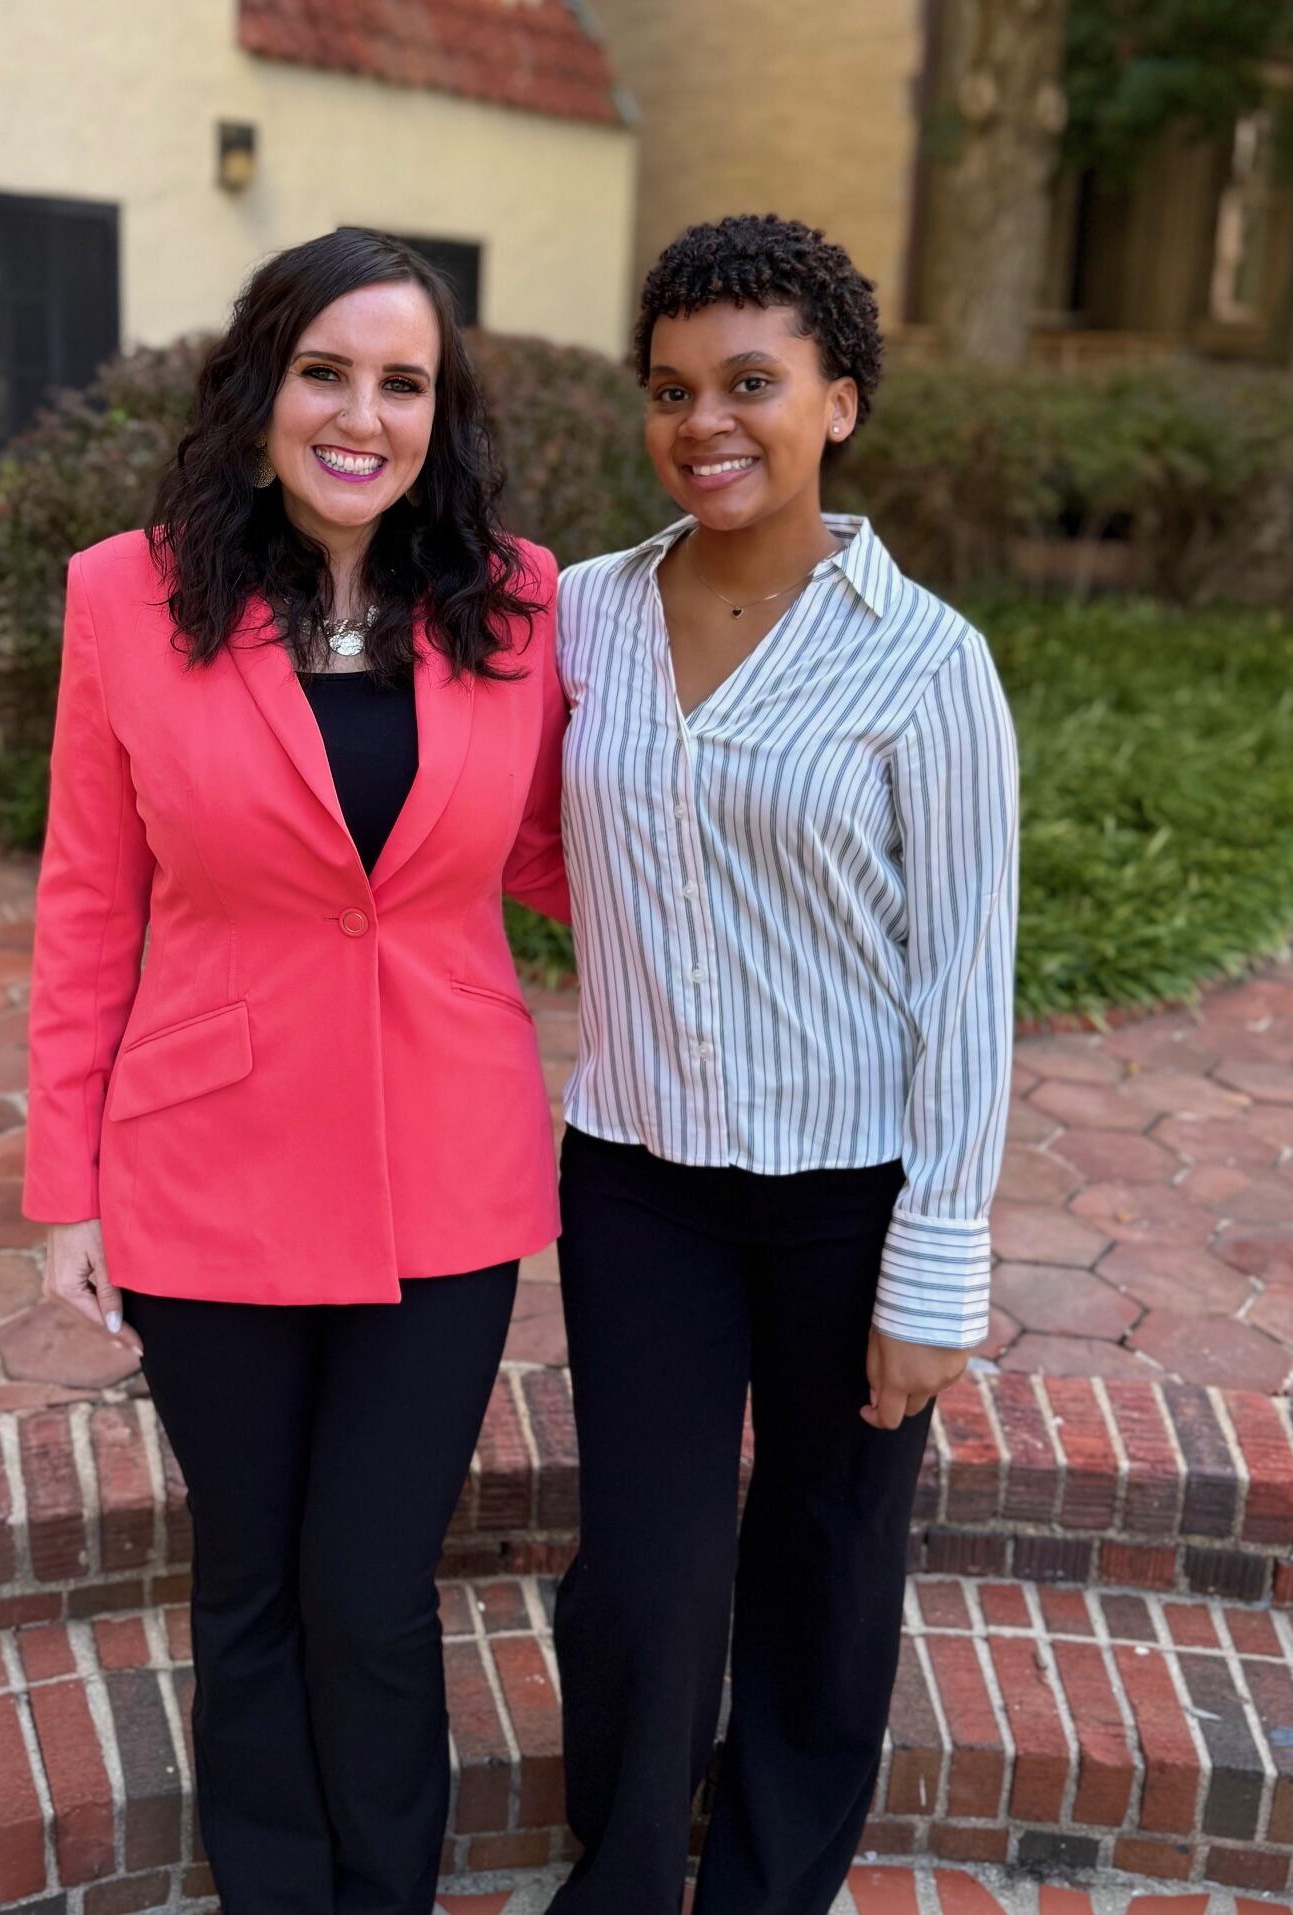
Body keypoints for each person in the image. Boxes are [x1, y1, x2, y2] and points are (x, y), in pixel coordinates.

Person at [20, 227, 568, 1915]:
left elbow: (573, 850)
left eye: (401, 382)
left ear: (440, 412)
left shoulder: (521, 599)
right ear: (262, 388)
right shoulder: (127, 592)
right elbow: (87, 896)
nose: (361, 415)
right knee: (249, 1579)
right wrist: (64, 1187)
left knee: (373, 1582)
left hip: (444, 1181)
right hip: (204, 1170)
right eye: (325, 372)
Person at [549, 214, 1019, 1915]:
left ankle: (763, 1890)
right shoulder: (574, 617)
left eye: (751, 382)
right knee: (646, 1582)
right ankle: (619, 1877)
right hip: (637, 1187)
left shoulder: (927, 662)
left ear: (840, 402)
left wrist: (937, 1265)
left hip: (847, 1203)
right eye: (671, 389)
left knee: (824, 1566)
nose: (704, 423)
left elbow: (964, 983)